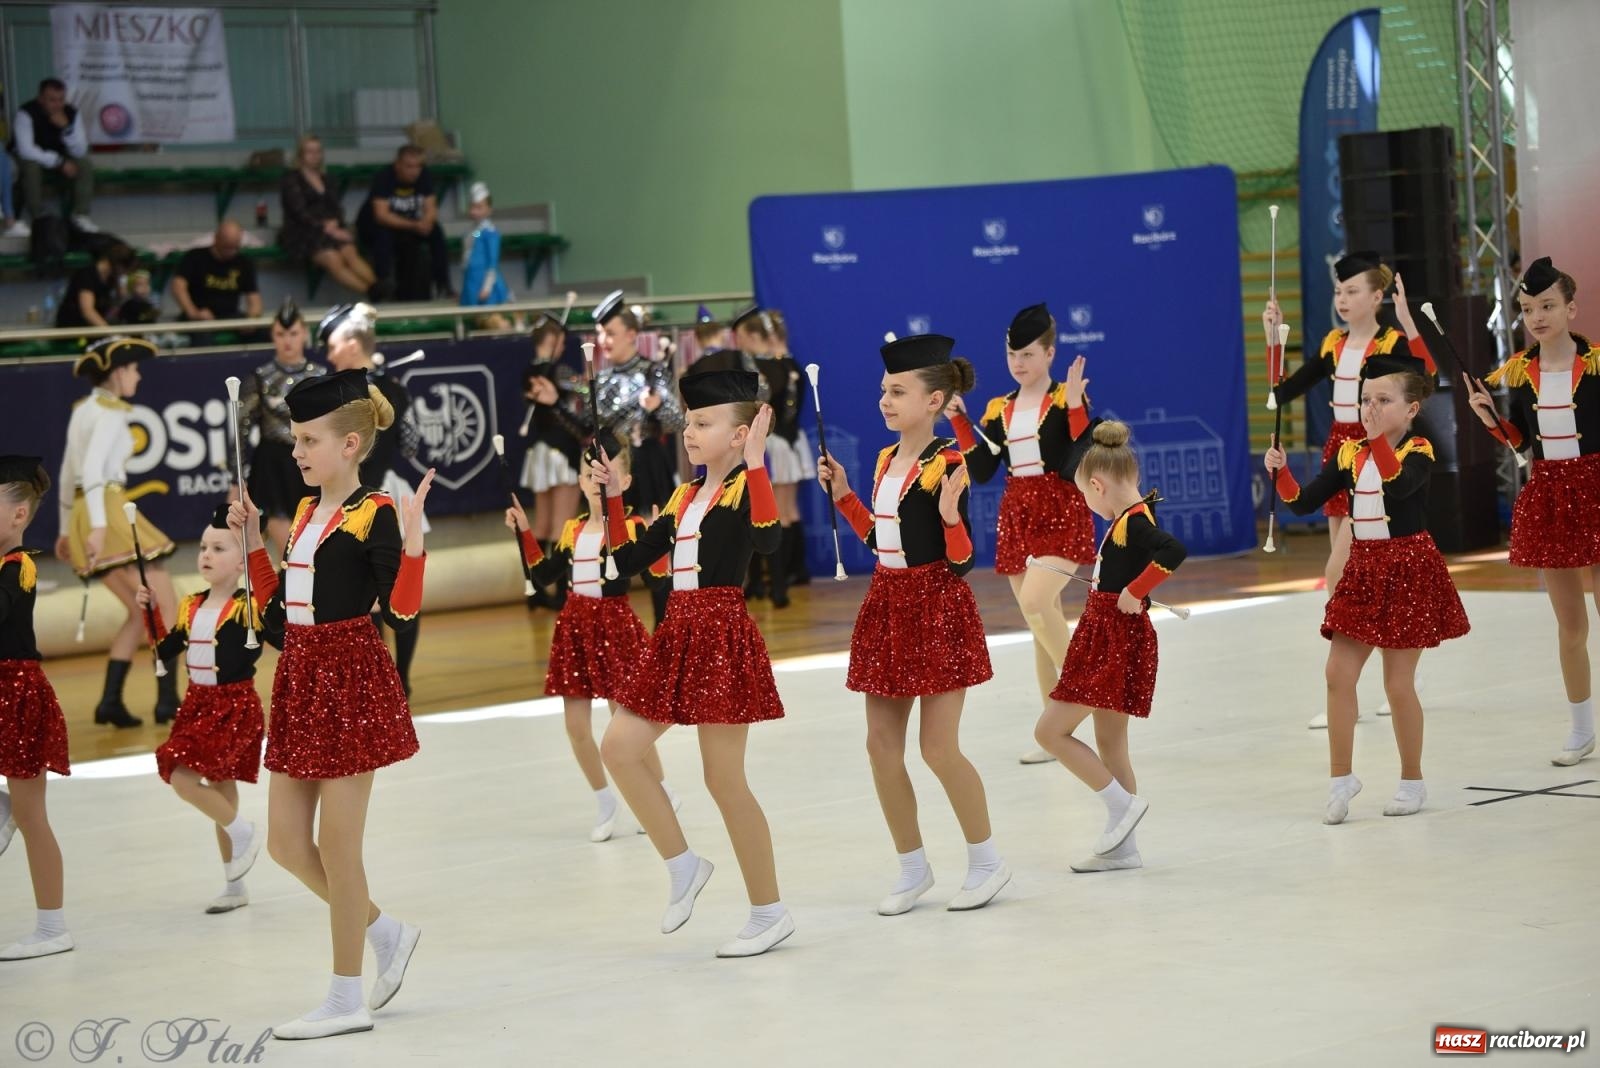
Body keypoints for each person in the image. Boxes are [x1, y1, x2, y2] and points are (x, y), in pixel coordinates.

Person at [233, 368, 432, 1040]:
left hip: (350, 681)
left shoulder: (375, 513)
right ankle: (384, 931)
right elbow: (277, 621)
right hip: (300, 677)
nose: (296, 451)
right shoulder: (305, 515)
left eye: (308, 440)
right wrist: (254, 545)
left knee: (339, 849)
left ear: (349, 445)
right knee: (287, 844)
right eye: (295, 439)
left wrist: (414, 546)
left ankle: (347, 997)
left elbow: (401, 612)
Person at [594, 369, 795, 958]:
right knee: (619, 747)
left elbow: (767, 540)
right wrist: (612, 497)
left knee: (724, 779)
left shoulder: (744, 490)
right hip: (677, 635)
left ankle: (770, 911)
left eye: (704, 423)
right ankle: (683, 864)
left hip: (721, 635)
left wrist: (757, 464)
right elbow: (626, 559)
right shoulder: (684, 497)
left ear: (739, 435)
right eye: (688, 421)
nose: (689, 431)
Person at [818, 333, 1008, 915]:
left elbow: (961, 561)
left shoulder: (947, 462)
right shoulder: (883, 460)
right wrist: (846, 496)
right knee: (880, 746)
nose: (885, 400)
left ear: (934, 401)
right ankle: (912, 867)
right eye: (884, 390)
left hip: (937, 607)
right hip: (887, 604)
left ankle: (987, 862)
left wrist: (951, 518)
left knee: (938, 748)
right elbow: (881, 540)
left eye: (898, 391)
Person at [1266, 353, 1469, 824]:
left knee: (1397, 684)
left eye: (1383, 400)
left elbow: (1398, 486)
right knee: (1337, 673)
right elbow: (1303, 503)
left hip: (1408, 569)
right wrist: (1282, 472)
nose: (1370, 408)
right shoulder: (1349, 452)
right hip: (1363, 569)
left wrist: (1376, 439)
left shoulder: (1419, 450)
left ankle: (1413, 780)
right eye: (1365, 400)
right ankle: (1341, 779)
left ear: (1411, 408)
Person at [1266, 253, 1435, 729]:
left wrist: (1410, 325)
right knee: (1347, 573)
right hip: (1342, 453)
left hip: (1382, 449)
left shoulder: (1390, 342)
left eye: (1353, 291)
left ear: (1377, 296)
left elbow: (1427, 378)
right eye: (1339, 291)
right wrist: (1273, 338)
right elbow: (1282, 391)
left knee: (1340, 570)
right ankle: (1349, 684)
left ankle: (1387, 673)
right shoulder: (1334, 343)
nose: (1342, 299)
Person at [1032, 420, 1187, 873]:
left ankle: (1123, 805)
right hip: (1111, 635)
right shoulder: (1133, 515)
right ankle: (1125, 849)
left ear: (1097, 486)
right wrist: (1132, 590)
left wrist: (1136, 590)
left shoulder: (1134, 521)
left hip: (1111, 640)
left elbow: (1173, 552)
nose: (1087, 502)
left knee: (1049, 733)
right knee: (1111, 743)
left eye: (1085, 494)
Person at [505, 435, 677, 840]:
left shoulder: (632, 527)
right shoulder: (572, 529)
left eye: (606, 474)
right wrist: (526, 532)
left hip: (615, 628)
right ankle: (604, 800)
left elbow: (657, 582)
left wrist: (661, 549)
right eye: (589, 475)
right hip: (575, 628)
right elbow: (543, 575)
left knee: (626, 721)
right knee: (576, 725)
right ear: (581, 482)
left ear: (625, 481)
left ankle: (660, 791)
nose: (597, 481)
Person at [1463, 256, 1599, 766]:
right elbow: (1522, 443)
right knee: (1570, 626)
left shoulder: (1598, 366)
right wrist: (1489, 418)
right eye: (1527, 309)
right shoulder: (1520, 373)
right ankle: (1581, 729)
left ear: (1570, 308)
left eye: (1547, 306)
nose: (1537, 317)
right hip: (1551, 496)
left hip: (1597, 490)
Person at [949, 304, 1098, 765]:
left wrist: (1077, 406)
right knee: (1038, 623)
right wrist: (960, 420)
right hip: (1017, 515)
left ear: (1050, 354)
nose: (1019, 362)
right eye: (1012, 354)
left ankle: (1087, 689)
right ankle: (1055, 732)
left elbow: (1083, 455)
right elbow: (983, 468)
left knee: (1035, 603)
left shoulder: (1066, 398)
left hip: (1062, 510)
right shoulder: (1000, 408)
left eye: (1028, 354)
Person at [136, 505, 268, 914]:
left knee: (181, 775)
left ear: (242, 563)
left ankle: (243, 833)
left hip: (233, 706)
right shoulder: (191, 605)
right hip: (197, 705)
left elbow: (281, 634)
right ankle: (235, 885)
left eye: (219, 548)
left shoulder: (249, 607)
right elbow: (165, 650)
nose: (207, 555)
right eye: (203, 547)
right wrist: (150, 613)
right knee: (221, 792)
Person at [56, 336, 181, 727]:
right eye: (133, 369)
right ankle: (168, 701)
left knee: (139, 612)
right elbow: (93, 471)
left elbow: (67, 474)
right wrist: (98, 526)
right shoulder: (110, 413)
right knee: (165, 606)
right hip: (106, 510)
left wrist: (66, 529)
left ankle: (110, 702)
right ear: (117, 372)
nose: (138, 376)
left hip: (84, 511)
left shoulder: (83, 410)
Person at [319, 304, 425, 697]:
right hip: (349, 496)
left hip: (381, 496)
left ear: (352, 344)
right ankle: (383, 677)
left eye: (333, 346)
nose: (329, 356)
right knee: (363, 590)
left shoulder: (383, 389)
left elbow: (409, 444)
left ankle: (402, 679)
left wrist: (389, 396)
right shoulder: (335, 393)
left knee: (399, 586)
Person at [0, 457, 73, 960]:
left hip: (17, 693)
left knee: (33, 816)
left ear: (18, 515)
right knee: (24, 810)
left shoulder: (18, 567)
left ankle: (53, 927)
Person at [591, 291, 683, 628]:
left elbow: (677, 421)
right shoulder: (601, 380)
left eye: (611, 333)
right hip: (615, 468)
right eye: (601, 334)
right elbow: (593, 425)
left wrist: (657, 406)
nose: (604, 340)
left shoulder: (653, 371)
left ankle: (665, 627)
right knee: (612, 543)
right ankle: (616, 632)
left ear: (631, 334)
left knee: (657, 543)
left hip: (650, 466)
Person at [240, 299, 326, 559]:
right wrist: (237, 478)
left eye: (293, 333)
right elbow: (240, 429)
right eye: (280, 334)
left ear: (305, 334)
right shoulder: (260, 376)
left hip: (312, 461)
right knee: (290, 552)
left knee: (316, 545)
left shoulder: (320, 375)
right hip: (273, 466)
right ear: (272, 336)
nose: (287, 341)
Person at [519, 313, 584, 610]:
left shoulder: (529, 373)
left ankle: (534, 590)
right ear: (551, 340)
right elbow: (584, 390)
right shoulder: (558, 372)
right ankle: (561, 593)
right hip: (561, 452)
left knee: (542, 526)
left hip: (540, 451)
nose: (563, 347)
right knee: (562, 526)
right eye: (561, 342)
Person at [279, 134, 377, 298]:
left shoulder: (328, 178)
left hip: (331, 229)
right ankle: (372, 292)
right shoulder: (291, 180)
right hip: (302, 232)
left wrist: (336, 224)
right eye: (310, 152)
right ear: (300, 155)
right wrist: (327, 227)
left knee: (349, 252)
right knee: (334, 259)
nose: (315, 156)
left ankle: (377, 287)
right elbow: (299, 212)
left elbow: (337, 207)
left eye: (318, 151)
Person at [356, 144, 451, 301]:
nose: (414, 171)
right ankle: (384, 285)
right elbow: (381, 215)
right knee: (383, 235)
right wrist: (414, 225)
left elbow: (431, 207)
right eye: (409, 166)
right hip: (376, 226)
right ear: (398, 165)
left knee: (436, 232)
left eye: (418, 166)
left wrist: (426, 222)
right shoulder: (384, 177)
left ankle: (443, 284)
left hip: (410, 224)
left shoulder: (424, 176)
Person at [9, 78, 96, 232]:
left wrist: (67, 129)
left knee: (84, 163)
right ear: (41, 99)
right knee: (31, 167)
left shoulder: (71, 113)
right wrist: (60, 162)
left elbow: (80, 150)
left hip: (57, 155)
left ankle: (81, 216)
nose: (57, 105)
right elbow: (26, 150)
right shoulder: (26, 113)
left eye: (61, 99)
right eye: (52, 100)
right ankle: (38, 217)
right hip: (29, 157)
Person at [172, 221, 263, 345]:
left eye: (235, 247)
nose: (231, 252)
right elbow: (178, 287)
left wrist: (252, 320)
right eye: (227, 247)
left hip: (230, 316)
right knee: (203, 338)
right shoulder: (194, 257)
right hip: (199, 317)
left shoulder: (244, 263)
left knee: (263, 332)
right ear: (216, 239)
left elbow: (254, 299)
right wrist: (193, 312)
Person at [55, 242, 135, 329]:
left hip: (94, 327)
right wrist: (110, 332)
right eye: (125, 271)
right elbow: (88, 311)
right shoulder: (87, 275)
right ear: (118, 265)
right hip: (74, 327)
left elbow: (119, 300)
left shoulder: (111, 278)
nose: (125, 274)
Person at [461, 181, 510, 321]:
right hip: (472, 281)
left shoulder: (491, 232)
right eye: (472, 207)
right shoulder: (477, 231)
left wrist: (487, 287)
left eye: (479, 207)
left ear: (489, 210)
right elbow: (474, 239)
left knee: (489, 316)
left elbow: (492, 262)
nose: (475, 211)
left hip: (484, 282)